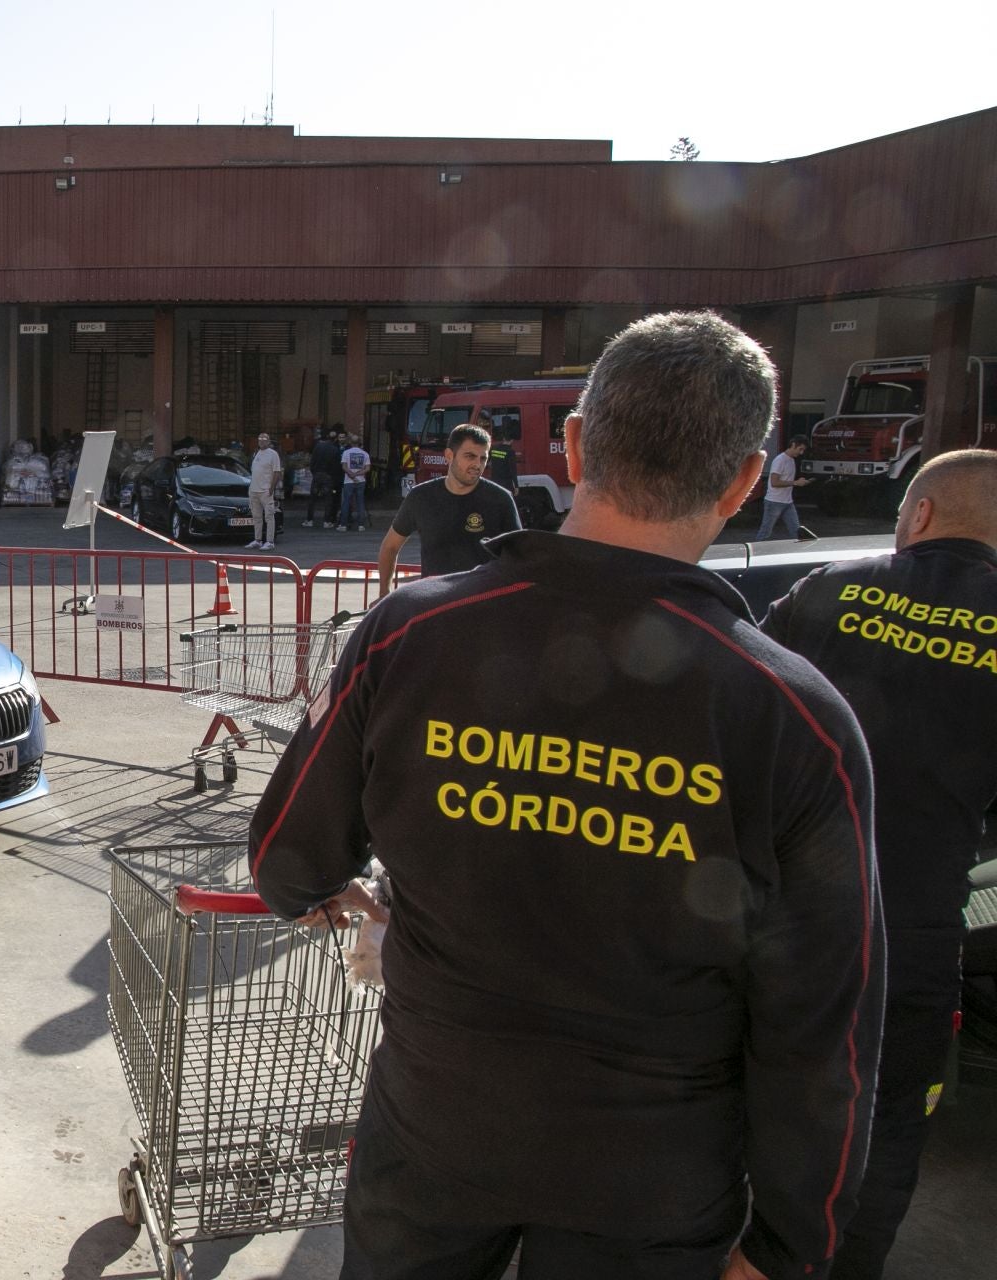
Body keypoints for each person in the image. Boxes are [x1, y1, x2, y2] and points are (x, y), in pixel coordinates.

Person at [250, 311, 883, 1280]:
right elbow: (827, 1024)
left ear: (578, 445)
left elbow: (287, 856)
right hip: (652, 1177)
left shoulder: (408, 635)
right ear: (747, 479)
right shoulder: (798, 717)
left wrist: (323, 891)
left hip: (435, 1129)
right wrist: (792, 1243)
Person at [759, 448, 997, 1279]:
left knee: (746, 1101)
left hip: (782, 921)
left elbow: (735, 712)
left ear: (920, 513)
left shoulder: (828, 589)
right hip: (913, 944)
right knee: (887, 1128)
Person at [374, 424, 521, 594]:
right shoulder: (421, 497)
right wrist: (384, 593)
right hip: (434, 602)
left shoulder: (500, 499)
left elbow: (519, 556)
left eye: (483, 458)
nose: (477, 464)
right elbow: (390, 546)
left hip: (481, 603)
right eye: (470, 456)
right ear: (449, 455)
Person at [754, 435, 810, 540]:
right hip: (774, 502)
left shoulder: (791, 460)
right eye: (800, 449)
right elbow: (774, 482)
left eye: (803, 450)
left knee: (796, 531)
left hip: (788, 502)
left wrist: (798, 482)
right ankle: (755, 548)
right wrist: (795, 483)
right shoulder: (780, 460)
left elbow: (786, 479)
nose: (801, 453)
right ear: (793, 445)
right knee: (765, 532)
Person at [246, 431, 281, 550]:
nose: (261, 442)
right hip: (254, 490)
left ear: (269, 441)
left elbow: (277, 472)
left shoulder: (273, 454)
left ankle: (270, 541)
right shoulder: (256, 453)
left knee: (269, 516)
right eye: (260, 439)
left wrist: (271, 488)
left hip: (265, 490)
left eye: (264, 440)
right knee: (256, 516)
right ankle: (258, 540)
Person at [304, 426, 344, 527]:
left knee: (312, 499)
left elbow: (312, 461)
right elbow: (337, 466)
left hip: (317, 474)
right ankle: (326, 521)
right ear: (335, 439)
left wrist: (314, 472)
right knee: (328, 499)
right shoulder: (335, 450)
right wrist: (333, 476)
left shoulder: (318, 447)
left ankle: (309, 520)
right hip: (328, 476)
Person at [337, 433, 372, 532]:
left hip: (348, 481)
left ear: (350, 442)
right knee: (360, 502)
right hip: (361, 481)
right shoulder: (365, 454)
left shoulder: (346, 453)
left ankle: (343, 525)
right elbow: (367, 468)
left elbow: (344, 467)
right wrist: (357, 474)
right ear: (359, 442)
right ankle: (361, 525)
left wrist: (352, 475)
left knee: (346, 502)